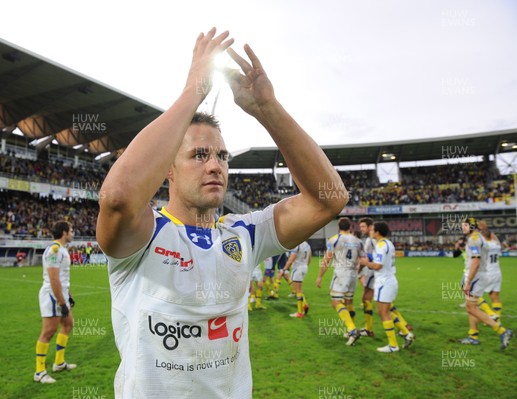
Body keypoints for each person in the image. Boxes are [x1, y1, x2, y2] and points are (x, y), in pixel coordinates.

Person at [96, 28, 348, 398]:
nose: (215, 165)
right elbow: (116, 197)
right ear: (168, 167)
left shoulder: (245, 234)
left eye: (222, 156)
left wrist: (267, 109)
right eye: (199, 155)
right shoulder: (144, 234)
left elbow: (329, 199)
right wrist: (193, 92)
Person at [457, 217, 512, 349]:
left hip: (476, 275)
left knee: (471, 307)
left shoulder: (474, 239)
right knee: (472, 307)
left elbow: (476, 261)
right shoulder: (480, 237)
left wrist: (468, 280)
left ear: (471, 226)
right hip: (482, 274)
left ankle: (502, 331)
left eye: (465, 226)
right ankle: (473, 335)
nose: (463, 228)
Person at [359, 222, 415, 353]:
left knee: (383, 313)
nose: (371, 231)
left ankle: (393, 345)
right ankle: (406, 334)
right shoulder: (388, 243)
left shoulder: (380, 245)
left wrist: (366, 263)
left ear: (377, 232)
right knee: (387, 311)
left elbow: (378, 266)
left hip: (384, 282)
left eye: (373, 230)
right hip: (389, 280)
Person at [33, 221, 76, 384]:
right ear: (64, 232)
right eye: (71, 230)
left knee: (68, 324)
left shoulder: (63, 250)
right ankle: (39, 372)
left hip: (61, 295)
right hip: (52, 296)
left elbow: (63, 279)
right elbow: (53, 278)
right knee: (48, 332)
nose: (72, 233)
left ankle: (58, 363)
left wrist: (68, 296)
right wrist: (61, 302)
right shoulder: (54, 250)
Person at [317, 217, 364, 345]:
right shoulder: (358, 241)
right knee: (349, 302)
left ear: (339, 226)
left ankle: (352, 330)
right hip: (353, 274)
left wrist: (320, 276)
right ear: (350, 227)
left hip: (341, 272)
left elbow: (327, 260)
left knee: (336, 302)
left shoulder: (334, 239)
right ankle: (351, 330)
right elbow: (362, 260)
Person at [477, 220, 503, 321]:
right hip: (497, 273)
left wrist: (481, 229)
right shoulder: (497, 244)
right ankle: (498, 320)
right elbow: (492, 236)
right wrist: (485, 229)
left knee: (473, 295)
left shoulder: (483, 246)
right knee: (495, 296)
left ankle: (490, 313)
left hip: (486, 274)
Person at [357, 218, 376, 337]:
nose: (361, 229)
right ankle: (368, 329)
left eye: (363, 226)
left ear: (369, 227)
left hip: (374, 272)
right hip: (376, 272)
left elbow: (366, 259)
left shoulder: (370, 240)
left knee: (380, 303)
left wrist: (358, 270)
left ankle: (403, 328)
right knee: (368, 299)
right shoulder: (376, 240)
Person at [285, 240, 312, 318]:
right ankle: (305, 304)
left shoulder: (297, 244)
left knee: (297, 290)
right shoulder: (307, 245)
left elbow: (291, 259)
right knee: (299, 289)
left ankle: (300, 312)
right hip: (304, 267)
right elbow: (309, 259)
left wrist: (285, 269)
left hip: (297, 268)